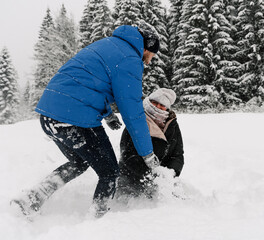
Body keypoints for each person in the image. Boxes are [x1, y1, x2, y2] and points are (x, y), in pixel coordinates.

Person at [11, 20, 161, 218]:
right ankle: (97, 221)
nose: (148, 62)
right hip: (75, 119)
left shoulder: (108, 45)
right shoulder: (130, 59)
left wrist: (108, 115)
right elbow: (133, 112)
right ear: (145, 47)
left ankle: (31, 199)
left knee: (79, 162)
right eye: (149, 56)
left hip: (49, 116)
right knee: (109, 172)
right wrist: (147, 154)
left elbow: (88, 84)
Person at [116, 88, 184, 198]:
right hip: (130, 179)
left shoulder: (172, 125)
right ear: (149, 101)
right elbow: (127, 154)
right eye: (155, 102)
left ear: (167, 108)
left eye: (162, 105)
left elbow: (177, 155)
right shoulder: (137, 120)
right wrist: (150, 175)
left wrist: (170, 174)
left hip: (161, 181)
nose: (158, 107)